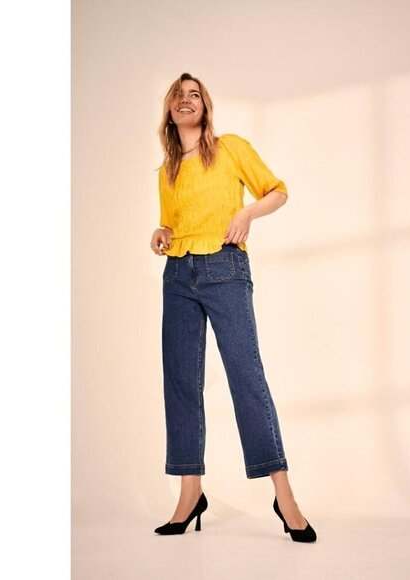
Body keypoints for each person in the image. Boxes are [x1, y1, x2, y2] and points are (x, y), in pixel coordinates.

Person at [150, 73, 316, 543]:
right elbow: (172, 223)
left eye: (194, 95)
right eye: (178, 96)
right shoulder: (166, 171)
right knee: (181, 383)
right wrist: (160, 233)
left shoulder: (231, 148)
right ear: (169, 110)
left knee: (247, 377)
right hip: (178, 275)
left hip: (225, 268)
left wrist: (246, 213)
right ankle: (190, 493)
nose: (185, 101)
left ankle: (284, 497)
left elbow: (277, 190)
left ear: (206, 107)